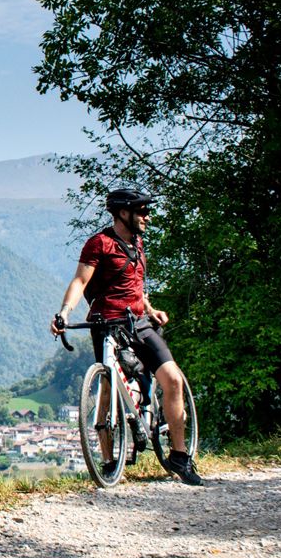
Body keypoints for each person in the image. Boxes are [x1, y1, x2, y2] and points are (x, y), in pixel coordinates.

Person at [51, 187, 203, 486]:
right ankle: (108, 462)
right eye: (142, 211)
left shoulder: (138, 242)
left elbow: (135, 284)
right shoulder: (100, 243)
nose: (147, 216)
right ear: (123, 213)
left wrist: (150, 308)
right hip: (106, 323)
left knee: (172, 379)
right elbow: (80, 280)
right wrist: (65, 312)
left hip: (140, 323)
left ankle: (180, 455)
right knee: (106, 389)